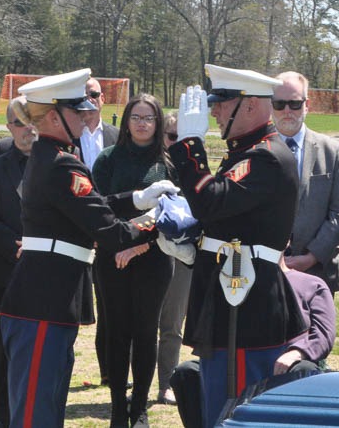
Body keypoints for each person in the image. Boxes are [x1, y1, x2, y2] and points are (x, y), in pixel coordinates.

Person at [0, 68, 177, 428]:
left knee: (46, 405)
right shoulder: (63, 164)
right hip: (45, 299)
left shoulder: (52, 157)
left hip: (48, 296)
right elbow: (111, 231)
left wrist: (135, 198)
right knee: (36, 412)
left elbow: (92, 206)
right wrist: (159, 218)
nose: (86, 117)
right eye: (77, 111)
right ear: (54, 117)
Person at [169, 66, 306, 427]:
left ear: (249, 105)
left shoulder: (265, 157)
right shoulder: (247, 152)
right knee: (218, 399)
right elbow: (226, 219)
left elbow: (211, 201)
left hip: (245, 305)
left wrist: (190, 146)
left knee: (237, 407)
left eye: (221, 102)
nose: (214, 111)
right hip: (230, 296)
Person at [169, 254, 336, 428]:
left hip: (285, 364)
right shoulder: (232, 286)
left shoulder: (311, 284)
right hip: (234, 361)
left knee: (301, 370)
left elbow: (324, 333)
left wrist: (297, 352)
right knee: (186, 372)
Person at [92, 95, 176, 427]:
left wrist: (139, 246)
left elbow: (175, 214)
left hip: (154, 258)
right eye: (136, 117)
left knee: (145, 332)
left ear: (158, 123)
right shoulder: (108, 159)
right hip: (112, 258)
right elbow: (99, 207)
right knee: (116, 331)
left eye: (149, 118)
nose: (142, 123)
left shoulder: (168, 163)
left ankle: (139, 407)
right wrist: (120, 243)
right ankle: (117, 407)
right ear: (126, 121)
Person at [0, 96, 37, 428]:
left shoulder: (57, 163)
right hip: (6, 267)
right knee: (4, 345)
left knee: (39, 346)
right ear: (8, 128)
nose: (28, 129)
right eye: (19, 123)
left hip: (46, 270)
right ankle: (1, 413)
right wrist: (13, 246)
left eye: (32, 121)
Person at [271, 71, 339, 293]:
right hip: (266, 271)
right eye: (279, 104)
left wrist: (311, 257)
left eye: (294, 104)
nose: (287, 110)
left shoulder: (332, 151)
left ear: (307, 105)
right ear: (270, 106)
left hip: (318, 271)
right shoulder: (257, 150)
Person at [80, 75, 120, 386]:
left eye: (94, 94)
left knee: (110, 305)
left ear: (103, 99)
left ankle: (109, 370)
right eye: (84, 95)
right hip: (76, 231)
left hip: (110, 231)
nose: (90, 100)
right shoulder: (68, 137)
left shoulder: (118, 137)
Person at [156, 111, 192, 406]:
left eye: (183, 138)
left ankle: (166, 383)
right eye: (172, 137)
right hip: (151, 252)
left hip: (181, 254)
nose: (177, 143)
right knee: (144, 323)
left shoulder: (193, 169)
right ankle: (139, 381)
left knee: (172, 324)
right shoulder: (154, 167)